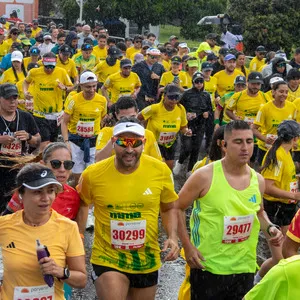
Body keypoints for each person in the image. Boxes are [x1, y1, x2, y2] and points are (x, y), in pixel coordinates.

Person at [176, 120, 283, 300]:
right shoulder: (204, 176)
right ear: (224, 145)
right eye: (238, 142)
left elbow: (259, 212)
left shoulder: (258, 180)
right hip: (208, 267)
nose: (245, 148)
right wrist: (187, 247)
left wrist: (271, 228)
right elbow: (176, 208)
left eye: (249, 142)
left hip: (244, 267)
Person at [76, 118, 179, 300]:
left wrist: (172, 236)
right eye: (123, 142)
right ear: (113, 142)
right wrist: (78, 238)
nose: (129, 150)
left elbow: (168, 207)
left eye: (136, 143)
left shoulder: (160, 171)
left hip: (146, 258)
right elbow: (83, 204)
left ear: (144, 143)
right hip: (107, 256)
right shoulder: (93, 174)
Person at [0, 163, 86, 299]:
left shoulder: (68, 227)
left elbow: (81, 280)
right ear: (20, 194)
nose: (46, 198)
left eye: (51, 191)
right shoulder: (4, 225)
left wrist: (60, 271)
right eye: (37, 191)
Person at [252, 120, 300, 285]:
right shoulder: (278, 155)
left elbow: (284, 179)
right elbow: (268, 187)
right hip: (276, 208)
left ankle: (261, 281)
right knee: (280, 259)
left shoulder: (287, 152)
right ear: (295, 138)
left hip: (287, 208)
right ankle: (260, 283)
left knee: (285, 254)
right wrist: (294, 196)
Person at [0, 83, 40, 212]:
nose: (12, 102)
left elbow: (38, 140)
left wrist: (28, 137)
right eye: (8, 98)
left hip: (18, 169)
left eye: (15, 98)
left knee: (15, 206)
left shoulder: (25, 117)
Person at [61, 71, 107, 184]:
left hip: (93, 141)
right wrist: (66, 141)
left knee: (92, 174)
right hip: (76, 140)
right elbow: (64, 121)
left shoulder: (102, 100)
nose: (91, 90)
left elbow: (103, 118)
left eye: (94, 86)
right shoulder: (73, 100)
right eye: (88, 87)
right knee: (78, 175)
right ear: (81, 86)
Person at [138, 84, 191, 169]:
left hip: (170, 143)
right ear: (164, 96)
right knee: (154, 166)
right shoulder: (154, 108)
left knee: (168, 167)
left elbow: (183, 127)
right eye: (171, 97)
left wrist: (187, 131)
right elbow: (138, 118)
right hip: (154, 143)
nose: (173, 100)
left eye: (176, 97)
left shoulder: (181, 109)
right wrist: (143, 130)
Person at [95, 97, 162, 162]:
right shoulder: (106, 132)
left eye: (132, 117)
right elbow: (98, 160)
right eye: (123, 118)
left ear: (137, 112)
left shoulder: (148, 134)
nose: (128, 121)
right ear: (116, 115)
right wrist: (114, 139)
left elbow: (158, 162)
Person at [173, 72, 213, 175]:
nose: (199, 84)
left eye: (201, 82)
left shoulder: (206, 95)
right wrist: (186, 114)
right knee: (187, 147)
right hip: (188, 124)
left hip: (200, 125)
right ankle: (180, 162)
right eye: (197, 82)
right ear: (193, 82)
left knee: (196, 149)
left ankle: (190, 170)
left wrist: (207, 113)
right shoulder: (186, 94)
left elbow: (210, 110)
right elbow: (178, 107)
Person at [252, 79, 296, 165]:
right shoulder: (265, 108)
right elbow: (253, 129)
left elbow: (294, 128)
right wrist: (265, 139)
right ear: (273, 92)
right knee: (264, 173)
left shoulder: (292, 107)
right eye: (281, 91)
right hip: (266, 149)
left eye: (286, 92)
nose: (284, 94)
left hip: (285, 148)